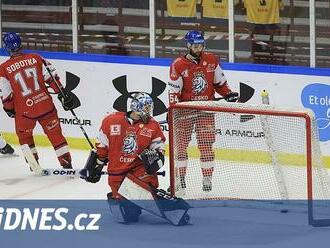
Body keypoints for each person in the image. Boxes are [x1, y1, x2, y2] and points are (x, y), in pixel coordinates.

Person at [81, 93, 190, 225]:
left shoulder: (152, 125)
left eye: (150, 107)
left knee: (146, 194)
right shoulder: (110, 121)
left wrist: (154, 158)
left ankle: (174, 208)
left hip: (139, 172)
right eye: (147, 107)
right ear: (137, 107)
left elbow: (159, 152)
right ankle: (129, 203)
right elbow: (101, 148)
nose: (149, 111)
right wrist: (95, 167)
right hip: (117, 174)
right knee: (127, 217)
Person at [168, 30, 239, 192]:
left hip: (206, 111)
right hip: (185, 112)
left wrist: (227, 94)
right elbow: (173, 92)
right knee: (181, 146)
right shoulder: (178, 65)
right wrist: (173, 110)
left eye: (201, 45)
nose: (198, 48)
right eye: (195, 45)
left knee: (206, 146)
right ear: (188, 45)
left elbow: (220, 84)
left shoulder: (212, 60)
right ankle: (180, 179)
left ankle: (207, 179)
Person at [0, 32, 75, 169]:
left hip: (24, 112)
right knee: (56, 135)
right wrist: (62, 93)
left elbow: (6, 94)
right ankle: (66, 163)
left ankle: (33, 164)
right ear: (21, 43)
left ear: (6, 47)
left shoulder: (3, 69)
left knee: (24, 137)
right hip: (46, 106)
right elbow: (52, 77)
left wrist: (9, 108)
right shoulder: (36, 57)